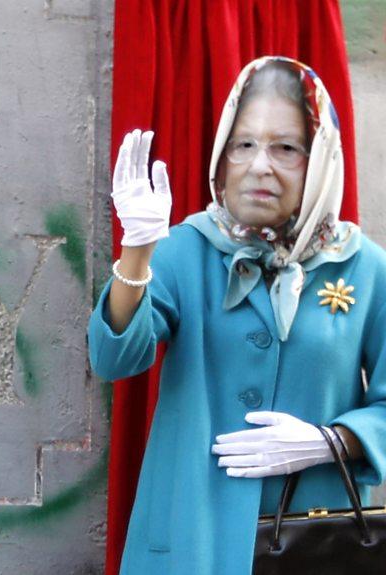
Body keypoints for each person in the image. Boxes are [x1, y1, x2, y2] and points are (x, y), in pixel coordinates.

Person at [89, 56, 386, 575]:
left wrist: (332, 440)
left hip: (312, 542)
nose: (259, 165)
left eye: (286, 148)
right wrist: (137, 249)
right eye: (243, 144)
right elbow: (114, 358)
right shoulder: (187, 250)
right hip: (189, 540)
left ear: (321, 159)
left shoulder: (364, 267)